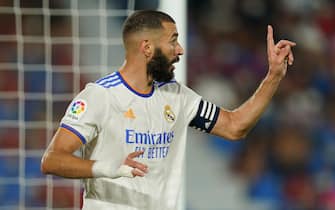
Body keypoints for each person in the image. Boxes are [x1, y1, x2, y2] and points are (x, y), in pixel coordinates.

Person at [41, 10, 296, 210]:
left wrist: (273, 75)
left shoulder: (176, 95)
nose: (180, 50)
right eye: (173, 41)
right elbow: (52, 159)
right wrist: (106, 167)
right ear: (147, 47)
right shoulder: (100, 96)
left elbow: (234, 126)